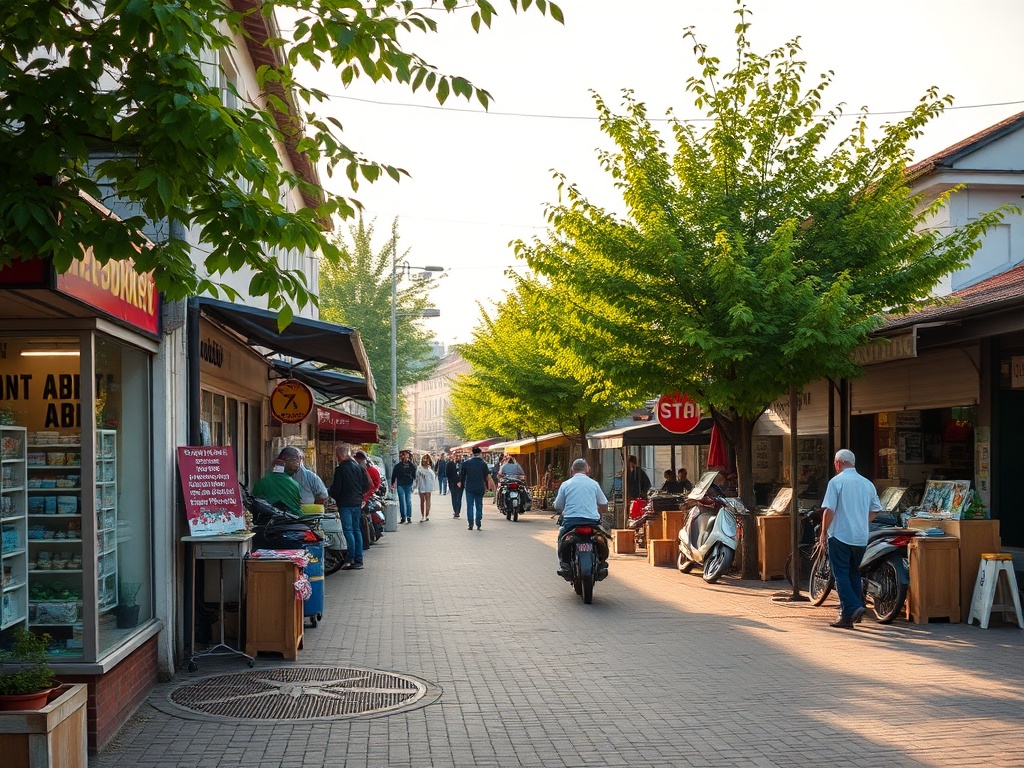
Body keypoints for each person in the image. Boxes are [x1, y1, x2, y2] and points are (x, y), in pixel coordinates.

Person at [818, 449, 882, 629]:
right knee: (853, 572)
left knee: (841, 574)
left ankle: (854, 606)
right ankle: (849, 617)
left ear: (838, 463)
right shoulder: (867, 484)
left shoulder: (836, 482)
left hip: (840, 535)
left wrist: (824, 531)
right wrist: (862, 521)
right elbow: (876, 509)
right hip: (860, 537)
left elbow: (829, 510)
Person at [552, 458, 609, 578]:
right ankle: (602, 564)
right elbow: (603, 503)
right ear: (587, 469)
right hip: (591, 522)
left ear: (572, 469)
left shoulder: (566, 484)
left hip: (571, 522)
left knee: (562, 538)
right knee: (602, 539)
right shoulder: (594, 484)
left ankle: (565, 565)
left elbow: (558, 505)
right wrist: (599, 510)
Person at [329, 443, 370, 570]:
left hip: (345, 503)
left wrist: (332, 494)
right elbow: (367, 485)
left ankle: (351, 557)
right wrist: (359, 495)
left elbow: (337, 488)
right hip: (357, 502)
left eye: (337, 455)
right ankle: (359, 559)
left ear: (341, 454)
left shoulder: (341, 469)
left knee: (348, 530)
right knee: (356, 529)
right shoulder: (358, 467)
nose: (336, 458)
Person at [458, 446, 492, 530]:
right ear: (480, 454)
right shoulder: (483, 463)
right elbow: (486, 476)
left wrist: (461, 484)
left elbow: (462, 475)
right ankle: (478, 522)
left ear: (472, 454)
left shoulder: (466, 463)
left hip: (469, 487)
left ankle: (470, 524)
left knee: (470, 505)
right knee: (479, 505)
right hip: (479, 487)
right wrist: (487, 487)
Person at [390, 450, 417, 524]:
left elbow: (414, 475)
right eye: (401, 456)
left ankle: (408, 516)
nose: (402, 457)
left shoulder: (411, 465)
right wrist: (392, 484)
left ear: (407, 456)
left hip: (408, 484)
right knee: (402, 501)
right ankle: (403, 517)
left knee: (408, 500)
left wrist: (414, 483)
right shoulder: (398, 466)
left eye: (403, 455)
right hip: (400, 484)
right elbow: (394, 475)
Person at [415, 453, 437, 522]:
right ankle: (426, 515)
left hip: (421, 487)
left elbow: (416, 478)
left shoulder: (419, 469)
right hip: (428, 487)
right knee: (428, 500)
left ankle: (423, 516)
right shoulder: (430, 471)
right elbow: (433, 479)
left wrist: (415, 486)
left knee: (422, 501)